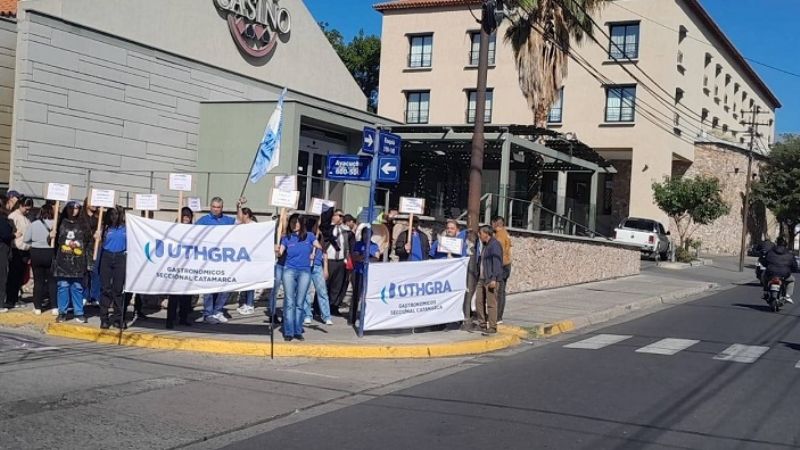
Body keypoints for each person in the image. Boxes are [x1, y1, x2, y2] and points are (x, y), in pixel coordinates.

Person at [278, 214, 322, 341]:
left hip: (305, 271)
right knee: (290, 302)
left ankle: (297, 330)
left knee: (300, 302)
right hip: (289, 271)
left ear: (302, 223)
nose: (294, 224)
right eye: (292, 222)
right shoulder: (286, 238)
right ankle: (288, 331)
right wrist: (277, 250)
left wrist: (315, 255)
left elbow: (319, 246)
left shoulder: (310, 236)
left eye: (297, 222)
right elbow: (280, 252)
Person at [196, 196, 236, 324]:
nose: (216, 209)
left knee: (225, 287)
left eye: (218, 207)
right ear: (210, 207)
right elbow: (192, 235)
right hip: (207, 260)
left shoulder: (228, 220)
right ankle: (208, 314)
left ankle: (218, 311)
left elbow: (241, 223)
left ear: (222, 208)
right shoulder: (203, 220)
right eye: (214, 207)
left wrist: (238, 207)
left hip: (224, 260)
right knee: (208, 289)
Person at [53, 201, 92, 323]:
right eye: (71, 207)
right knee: (63, 287)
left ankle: (78, 312)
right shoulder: (59, 223)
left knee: (77, 287)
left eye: (76, 208)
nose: (73, 210)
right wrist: (51, 235)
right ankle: (62, 312)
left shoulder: (84, 225)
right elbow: (53, 242)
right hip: (63, 261)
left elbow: (89, 242)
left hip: (78, 261)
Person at [97, 206, 127, 329]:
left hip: (121, 257)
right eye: (112, 214)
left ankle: (118, 318)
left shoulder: (126, 228)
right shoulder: (104, 228)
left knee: (118, 289)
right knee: (105, 289)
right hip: (106, 256)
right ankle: (104, 318)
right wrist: (97, 237)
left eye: (117, 214)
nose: (115, 217)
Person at [24, 203, 56, 315]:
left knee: (38, 281)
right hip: (50, 252)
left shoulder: (34, 224)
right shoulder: (55, 225)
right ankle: (54, 307)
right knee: (52, 281)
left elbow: (26, 239)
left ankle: (37, 307)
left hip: (36, 252)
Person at [166, 207, 195, 329]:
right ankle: (170, 320)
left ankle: (183, 317)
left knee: (186, 296)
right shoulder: (174, 229)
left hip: (188, 266)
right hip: (176, 266)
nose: (186, 218)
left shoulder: (193, 230)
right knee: (174, 296)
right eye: (184, 216)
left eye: (188, 216)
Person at [303, 216, 333, 326]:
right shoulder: (305, 237)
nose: (318, 228)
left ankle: (326, 316)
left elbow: (324, 252)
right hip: (306, 267)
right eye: (316, 225)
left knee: (322, 291)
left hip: (317, 267)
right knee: (307, 292)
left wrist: (325, 268)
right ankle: (307, 314)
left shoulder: (320, 237)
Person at [474, 225, 503, 336]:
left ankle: (492, 326)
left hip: (490, 278)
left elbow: (497, 263)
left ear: (486, 234)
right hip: (482, 278)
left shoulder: (494, 245)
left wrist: (494, 279)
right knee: (479, 301)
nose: (479, 236)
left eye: (480, 233)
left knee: (491, 303)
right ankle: (482, 324)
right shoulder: (485, 245)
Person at [5, 196, 33, 310]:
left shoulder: (27, 219)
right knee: (13, 276)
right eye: (26, 209)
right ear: (20, 205)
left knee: (20, 276)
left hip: (25, 250)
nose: (28, 211)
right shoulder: (13, 216)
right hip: (16, 249)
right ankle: (10, 299)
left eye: (29, 209)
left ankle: (15, 297)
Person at [350, 225, 380, 326]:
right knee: (356, 296)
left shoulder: (374, 245)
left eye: (368, 234)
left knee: (367, 297)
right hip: (358, 272)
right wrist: (366, 256)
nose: (366, 236)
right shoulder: (358, 244)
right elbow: (355, 257)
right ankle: (352, 318)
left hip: (369, 273)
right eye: (364, 234)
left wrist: (367, 257)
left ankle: (365, 316)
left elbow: (377, 257)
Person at [325, 209, 351, 316]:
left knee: (337, 285)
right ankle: (321, 307)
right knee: (326, 285)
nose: (340, 218)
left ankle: (334, 306)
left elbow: (347, 243)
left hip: (340, 260)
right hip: (329, 260)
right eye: (338, 215)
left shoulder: (345, 229)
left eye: (342, 216)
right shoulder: (329, 228)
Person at [760, 237, 798, 304]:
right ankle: (787, 296)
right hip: (784, 274)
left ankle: (765, 292)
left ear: (776, 243)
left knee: (763, 275)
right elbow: (794, 266)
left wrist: (766, 265)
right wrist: (794, 270)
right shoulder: (790, 254)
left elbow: (764, 261)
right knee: (792, 280)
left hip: (771, 273)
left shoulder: (770, 252)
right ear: (786, 245)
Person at [236, 205, 257, 316]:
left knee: (250, 282)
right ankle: (245, 302)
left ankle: (250, 304)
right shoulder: (241, 225)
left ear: (247, 215)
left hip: (251, 258)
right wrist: (238, 206)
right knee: (244, 281)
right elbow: (237, 219)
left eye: (242, 214)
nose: (240, 217)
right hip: (243, 257)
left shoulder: (254, 226)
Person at [80, 198, 101, 306]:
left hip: (95, 247)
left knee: (95, 272)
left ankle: (95, 296)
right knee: (84, 272)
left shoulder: (99, 218)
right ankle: (84, 295)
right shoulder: (81, 217)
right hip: (84, 248)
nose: (94, 204)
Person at [492, 216, 512, 323]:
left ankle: (497, 317)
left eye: (492, 223)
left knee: (499, 292)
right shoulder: (506, 233)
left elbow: (498, 253)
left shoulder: (499, 236)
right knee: (502, 291)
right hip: (507, 264)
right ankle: (499, 316)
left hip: (501, 265)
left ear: (495, 223)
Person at [0, 201, 14, 314]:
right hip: (2, 249)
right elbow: (5, 235)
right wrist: (14, 235)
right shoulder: (3, 220)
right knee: (2, 276)